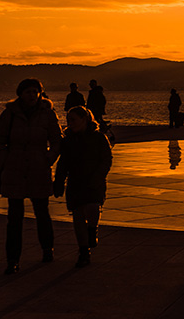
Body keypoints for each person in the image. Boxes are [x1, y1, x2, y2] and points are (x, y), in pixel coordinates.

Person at [0, 78, 62, 275]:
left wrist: (48, 159)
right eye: (28, 92)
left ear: (40, 93)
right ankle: (12, 259)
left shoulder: (47, 114)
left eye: (35, 91)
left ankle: (47, 249)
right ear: (20, 94)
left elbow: (57, 140)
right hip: (14, 170)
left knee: (42, 212)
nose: (32, 95)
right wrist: (5, 161)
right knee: (14, 217)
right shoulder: (10, 114)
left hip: (38, 169)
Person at [53, 106, 113, 268]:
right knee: (78, 216)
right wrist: (59, 182)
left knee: (93, 208)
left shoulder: (99, 138)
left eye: (73, 119)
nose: (70, 123)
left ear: (84, 119)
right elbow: (63, 163)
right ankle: (83, 251)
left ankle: (93, 228)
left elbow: (106, 159)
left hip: (94, 181)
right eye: (68, 120)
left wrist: (98, 176)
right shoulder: (67, 141)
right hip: (75, 183)